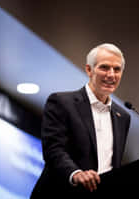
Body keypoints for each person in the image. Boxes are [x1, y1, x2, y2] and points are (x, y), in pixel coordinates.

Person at [30, 43, 131, 198]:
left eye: (117, 69)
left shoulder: (123, 117)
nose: (111, 75)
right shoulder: (62, 102)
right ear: (89, 70)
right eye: (104, 67)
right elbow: (53, 149)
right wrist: (75, 173)